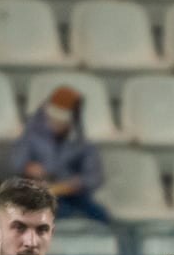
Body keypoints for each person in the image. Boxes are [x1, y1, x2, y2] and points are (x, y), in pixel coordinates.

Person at [10, 86, 108, 222]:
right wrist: (28, 167)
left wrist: (77, 183)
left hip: (70, 193)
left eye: (62, 121)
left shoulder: (80, 140)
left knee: (99, 215)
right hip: (37, 192)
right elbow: (17, 160)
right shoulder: (31, 133)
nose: (56, 125)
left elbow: (94, 175)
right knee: (62, 212)